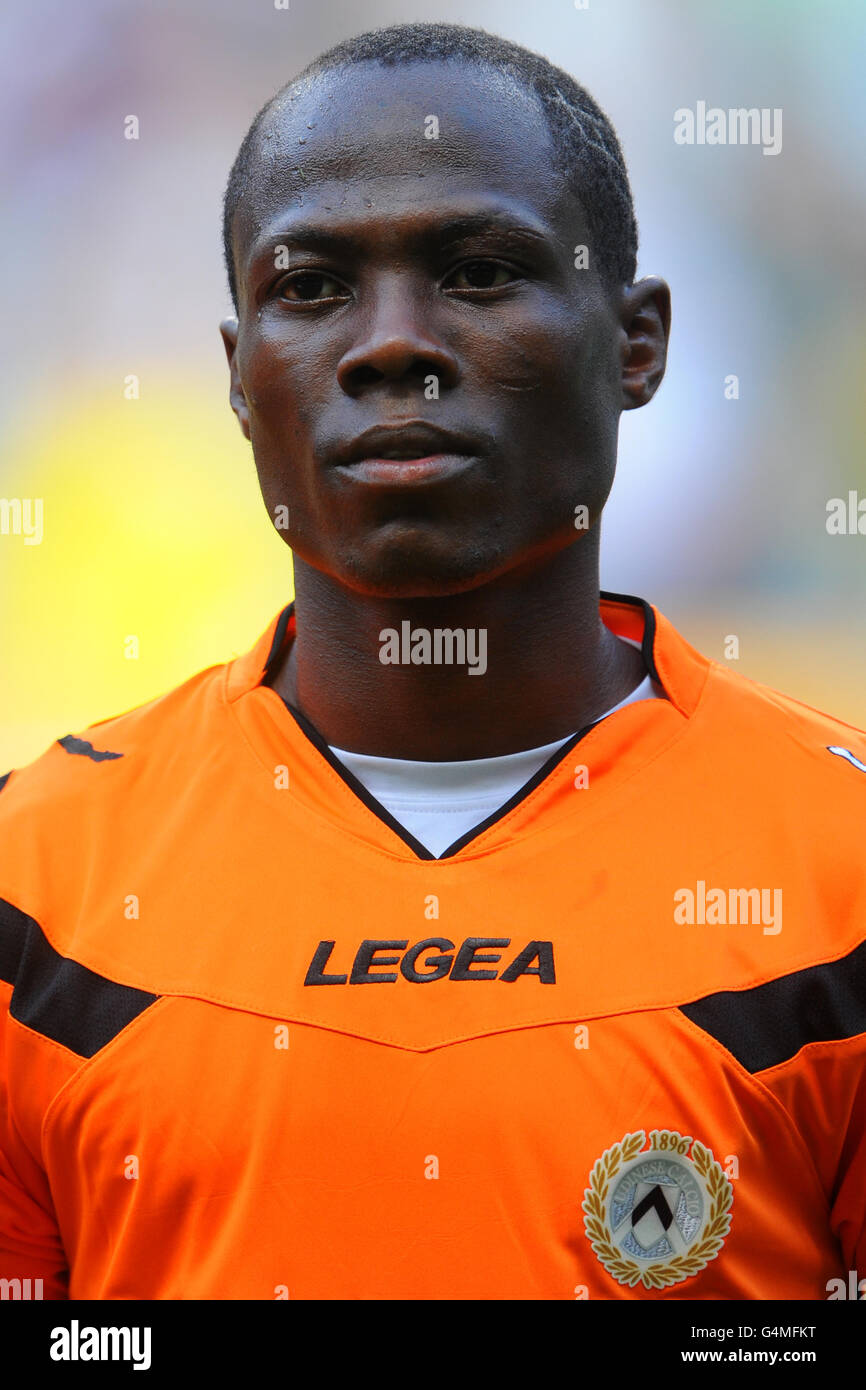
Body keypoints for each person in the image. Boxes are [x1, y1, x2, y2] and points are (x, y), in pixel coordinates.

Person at [1, 21, 864, 1302]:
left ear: (637, 345)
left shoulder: (835, 857)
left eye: (476, 271)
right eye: (310, 287)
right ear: (239, 377)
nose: (390, 345)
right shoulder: (43, 881)